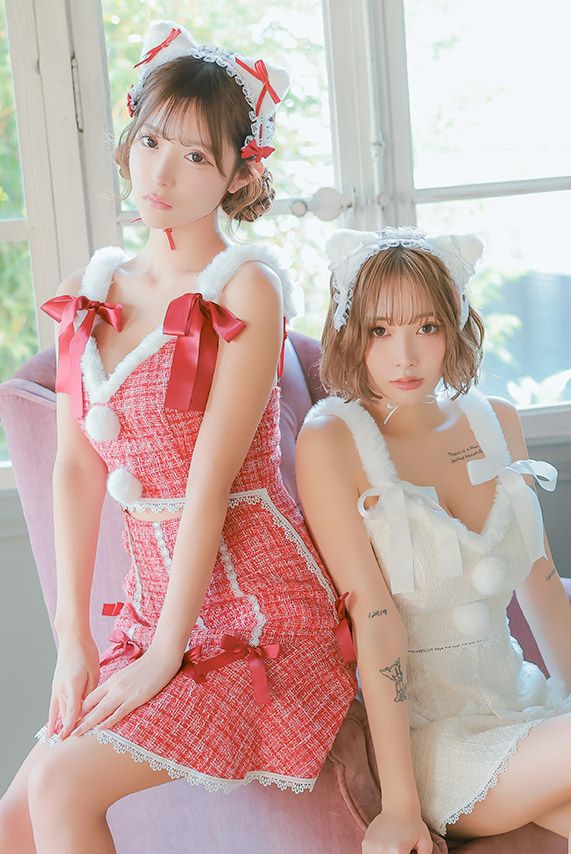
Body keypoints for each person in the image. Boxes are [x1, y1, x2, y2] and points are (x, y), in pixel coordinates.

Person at [0, 21, 356, 853]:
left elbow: (211, 485)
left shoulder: (246, 289)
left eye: (196, 155)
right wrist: (74, 642)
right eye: (152, 140)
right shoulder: (90, 291)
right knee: (13, 823)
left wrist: (165, 656)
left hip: (258, 613)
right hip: (152, 614)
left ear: (239, 173)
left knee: (59, 782)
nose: (160, 172)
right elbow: (75, 472)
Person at [296, 225, 571, 854]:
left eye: (426, 327)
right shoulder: (333, 439)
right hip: (435, 741)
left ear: (454, 324)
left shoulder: (494, 419)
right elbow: (374, 620)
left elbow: (541, 581)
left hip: (523, 704)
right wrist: (400, 807)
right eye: (380, 330)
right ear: (349, 332)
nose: (405, 357)